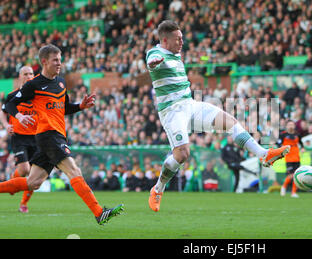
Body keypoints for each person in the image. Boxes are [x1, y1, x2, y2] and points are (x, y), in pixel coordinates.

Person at [146, 20, 290, 212]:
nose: (182, 42)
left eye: (182, 38)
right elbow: (152, 61)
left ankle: (263, 155)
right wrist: (153, 64)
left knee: (230, 121)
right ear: (165, 40)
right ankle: (157, 189)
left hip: (190, 104)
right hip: (172, 112)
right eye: (178, 39)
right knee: (182, 155)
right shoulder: (155, 54)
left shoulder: (175, 53)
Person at [0, 44, 123, 225]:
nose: (59, 63)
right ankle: (99, 212)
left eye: (60, 59)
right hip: (49, 135)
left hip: (56, 135)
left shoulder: (61, 82)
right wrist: (18, 116)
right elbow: (10, 104)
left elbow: (64, 108)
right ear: (44, 62)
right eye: (55, 60)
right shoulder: (34, 85)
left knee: (33, 182)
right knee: (74, 170)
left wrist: (80, 106)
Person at [0, 66, 36, 213]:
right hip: (19, 137)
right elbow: (2, 112)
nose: (28, 76)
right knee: (24, 169)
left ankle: (23, 203)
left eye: (31, 73)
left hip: (37, 138)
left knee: (34, 175)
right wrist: (6, 124)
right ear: (20, 77)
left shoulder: (39, 96)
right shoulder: (13, 96)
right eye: (25, 74)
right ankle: (13, 184)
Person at [278, 120, 305, 198]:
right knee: (291, 175)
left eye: (292, 124)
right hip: (289, 157)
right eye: (289, 124)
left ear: (294, 126)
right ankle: (284, 187)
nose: (290, 126)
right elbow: (279, 143)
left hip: (297, 157)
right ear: (286, 126)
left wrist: (303, 148)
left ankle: (293, 192)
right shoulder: (283, 134)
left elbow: (301, 143)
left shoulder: (297, 134)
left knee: (296, 175)